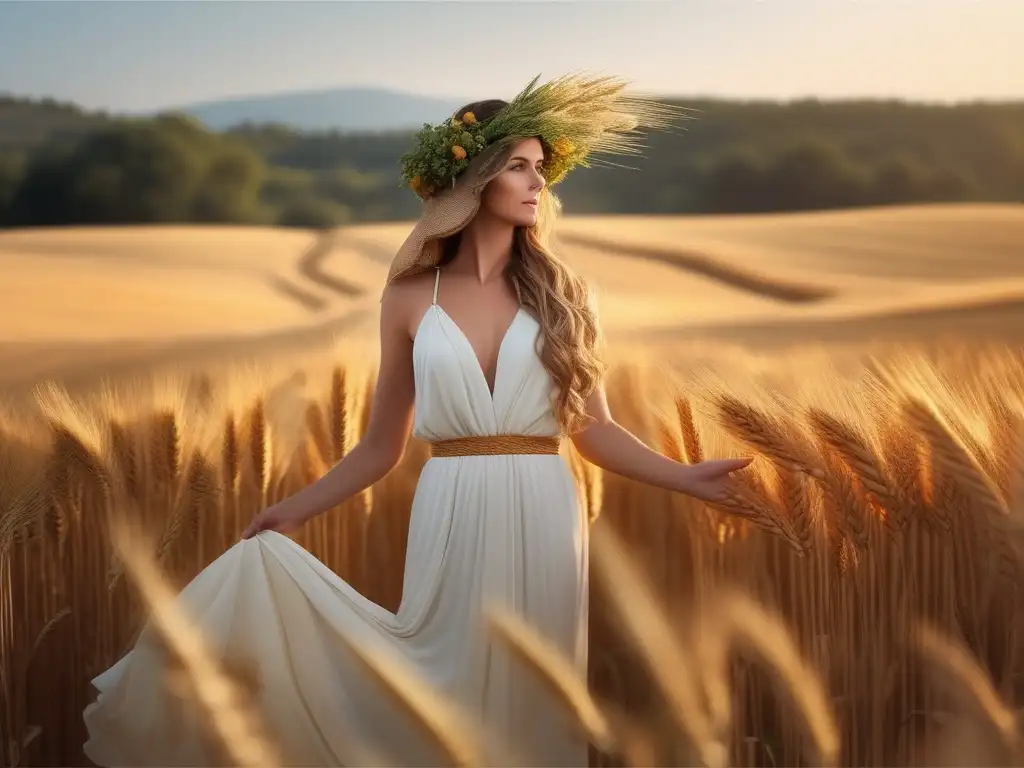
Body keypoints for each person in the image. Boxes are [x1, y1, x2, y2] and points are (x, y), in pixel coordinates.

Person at [82, 73, 752, 767]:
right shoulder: (407, 297)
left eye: (540, 169)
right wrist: (293, 510)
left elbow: (593, 428)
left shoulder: (567, 293)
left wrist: (684, 476)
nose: (536, 184)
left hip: (548, 508)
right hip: (452, 504)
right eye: (518, 167)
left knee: (540, 696)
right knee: (442, 684)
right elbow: (379, 446)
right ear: (475, 180)